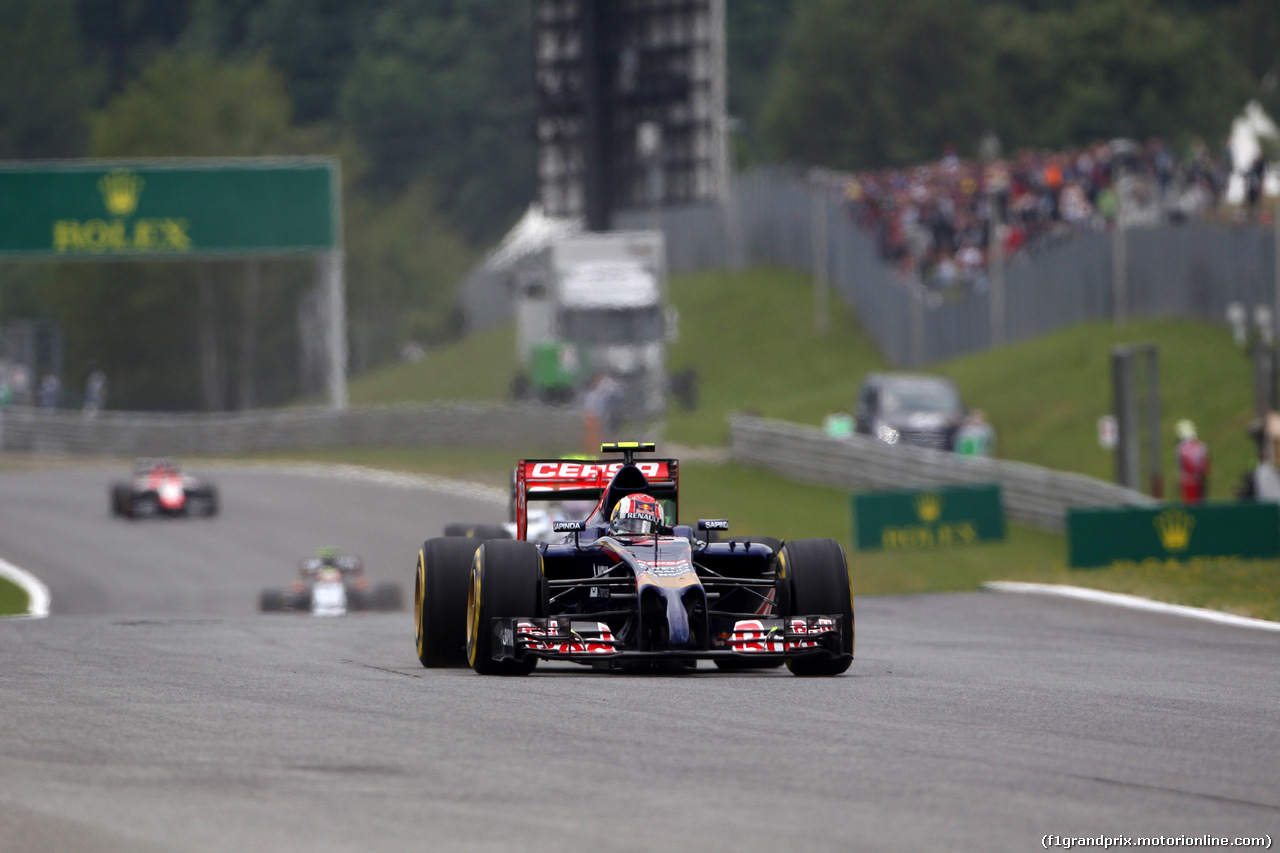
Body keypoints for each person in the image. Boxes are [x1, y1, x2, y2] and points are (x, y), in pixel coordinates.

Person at [1174, 419, 1210, 503]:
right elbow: (1206, 466)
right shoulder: (1201, 446)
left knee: (1190, 509)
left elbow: (1180, 467)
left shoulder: (1180, 448)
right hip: (1201, 482)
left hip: (1187, 483)